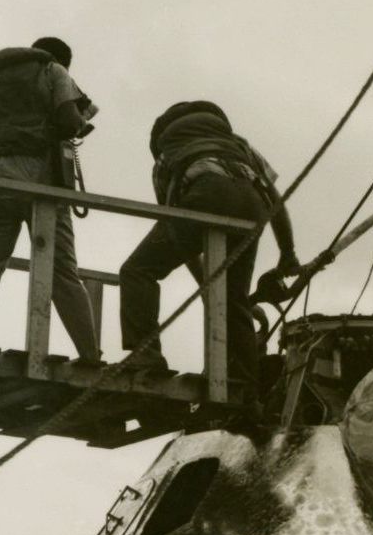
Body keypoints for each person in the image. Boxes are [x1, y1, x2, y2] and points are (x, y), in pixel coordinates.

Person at [119, 101, 298, 388]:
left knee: (138, 271)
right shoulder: (240, 146)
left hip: (206, 193)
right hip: (251, 205)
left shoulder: (166, 156)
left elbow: (173, 222)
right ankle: (244, 384)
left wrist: (205, 284)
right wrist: (288, 253)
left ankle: (146, 356)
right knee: (234, 297)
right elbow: (275, 200)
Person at [0, 36, 101, 362]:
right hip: (41, 181)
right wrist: (78, 124)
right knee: (62, 270)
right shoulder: (54, 71)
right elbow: (67, 121)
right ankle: (90, 353)